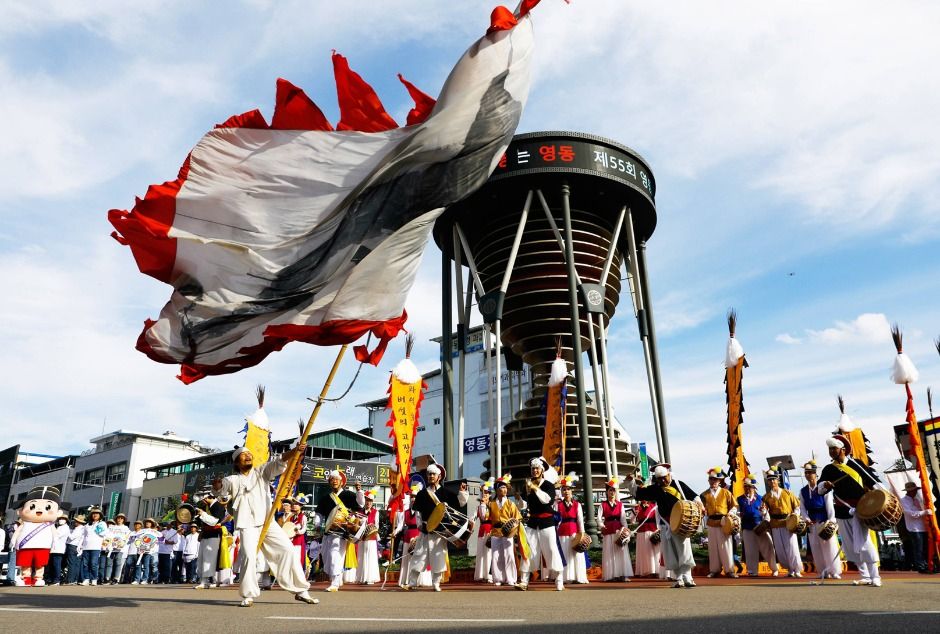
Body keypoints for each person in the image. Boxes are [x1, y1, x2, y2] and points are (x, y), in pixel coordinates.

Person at [212, 443, 318, 606]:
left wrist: (295, 451)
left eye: (249, 454)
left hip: (267, 522)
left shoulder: (261, 472)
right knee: (249, 557)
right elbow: (221, 491)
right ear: (237, 462)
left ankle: (300, 590)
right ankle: (248, 595)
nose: (248, 456)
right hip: (247, 525)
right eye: (243, 455)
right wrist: (217, 485)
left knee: (288, 550)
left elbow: (279, 461)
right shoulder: (232, 480)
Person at [818, 434, 884, 587]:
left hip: (860, 509)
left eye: (834, 448)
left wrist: (882, 496)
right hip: (842, 511)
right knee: (849, 545)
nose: (831, 452)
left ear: (842, 449)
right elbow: (820, 489)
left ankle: (875, 576)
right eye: (830, 449)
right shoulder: (829, 469)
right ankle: (865, 576)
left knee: (865, 543)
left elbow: (871, 481)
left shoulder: (856, 464)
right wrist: (825, 485)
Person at [625, 463, 702, 588]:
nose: (662, 481)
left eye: (664, 478)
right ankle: (678, 577)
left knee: (683, 549)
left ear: (668, 475)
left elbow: (694, 496)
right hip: (665, 524)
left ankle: (688, 576)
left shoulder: (678, 485)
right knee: (670, 551)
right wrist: (630, 482)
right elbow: (639, 493)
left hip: (680, 523)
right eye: (659, 479)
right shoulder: (656, 488)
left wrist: (700, 505)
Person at [404, 462, 469, 592]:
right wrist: (419, 525)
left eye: (433, 474)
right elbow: (418, 512)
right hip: (426, 530)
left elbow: (460, 503)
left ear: (439, 477)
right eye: (429, 474)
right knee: (419, 556)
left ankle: (436, 583)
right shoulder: (422, 494)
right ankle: (412, 582)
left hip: (440, 532)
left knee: (438, 558)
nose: (431, 476)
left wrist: (462, 492)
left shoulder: (446, 493)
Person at [516, 457, 564, 591]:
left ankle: (559, 579)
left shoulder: (548, 485)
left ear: (542, 470)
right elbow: (523, 505)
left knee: (551, 549)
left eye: (537, 468)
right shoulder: (527, 486)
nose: (535, 471)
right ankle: (524, 581)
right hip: (532, 522)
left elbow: (547, 500)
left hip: (547, 522)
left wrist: (535, 488)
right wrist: (519, 499)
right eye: (533, 469)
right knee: (528, 550)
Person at [313, 470, 364, 592]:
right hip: (328, 531)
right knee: (326, 555)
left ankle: (335, 583)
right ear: (329, 482)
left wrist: (359, 491)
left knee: (335, 554)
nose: (334, 481)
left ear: (341, 482)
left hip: (342, 531)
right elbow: (319, 513)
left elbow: (360, 504)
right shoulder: (325, 498)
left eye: (337, 479)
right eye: (332, 479)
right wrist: (317, 524)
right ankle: (337, 578)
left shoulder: (349, 495)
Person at [800, 460, 841, 579]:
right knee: (816, 548)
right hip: (812, 523)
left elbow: (830, 506)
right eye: (806, 472)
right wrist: (806, 519)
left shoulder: (823, 488)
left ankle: (834, 571)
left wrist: (831, 522)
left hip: (824, 521)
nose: (808, 475)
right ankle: (822, 571)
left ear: (815, 473)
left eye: (810, 472)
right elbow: (802, 508)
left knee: (830, 547)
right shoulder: (803, 491)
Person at [763, 468, 802, 577]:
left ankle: (797, 569)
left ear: (778, 480)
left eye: (774, 479)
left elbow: (797, 506)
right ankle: (789, 569)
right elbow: (765, 511)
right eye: (770, 480)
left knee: (792, 546)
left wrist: (795, 517)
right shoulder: (766, 497)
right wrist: (763, 512)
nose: (772, 481)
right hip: (775, 524)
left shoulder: (788, 493)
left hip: (788, 523)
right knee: (780, 548)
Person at [700, 468, 738, 579]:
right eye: (711, 479)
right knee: (713, 547)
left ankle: (729, 570)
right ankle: (714, 570)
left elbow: (734, 506)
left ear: (719, 481)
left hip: (724, 522)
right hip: (711, 522)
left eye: (715, 479)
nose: (713, 481)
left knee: (726, 546)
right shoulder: (704, 495)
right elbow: (700, 508)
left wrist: (730, 514)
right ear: (708, 480)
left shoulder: (726, 493)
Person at [737, 476, 778, 577]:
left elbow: (766, 513)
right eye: (745, 486)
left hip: (760, 527)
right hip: (747, 527)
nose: (747, 488)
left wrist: (765, 520)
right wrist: (739, 515)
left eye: (749, 486)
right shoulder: (739, 499)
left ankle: (774, 569)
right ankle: (752, 571)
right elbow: (736, 512)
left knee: (768, 548)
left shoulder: (761, 498)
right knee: (750, 550)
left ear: (754, 488)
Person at [485, 475, 522, 587]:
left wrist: (514, 530)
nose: (505, 490)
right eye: (502, 487)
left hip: (508, 532)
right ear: (497, 489)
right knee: (496, 556)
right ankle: (498, 578)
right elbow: (485, 517)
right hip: (495, 532)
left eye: (506, 488)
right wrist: (483, 504)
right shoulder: (491, 504)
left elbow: (517, 518)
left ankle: (511, 578)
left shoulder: (511, 504)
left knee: (509, 555)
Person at [556, 473, 588, 584]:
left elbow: (580, 520)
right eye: (564, 489)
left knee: (576, 555)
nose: (566, 491)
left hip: (574, 533)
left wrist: (582, 534)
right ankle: (566, 577)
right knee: (565, 555)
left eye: (568, 489)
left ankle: (579, 577)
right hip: (562, 533)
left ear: (571, 491)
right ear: (561, 492)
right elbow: (556, 521)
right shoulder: (558, 505)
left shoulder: (577, 505)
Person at [600, 476, 633, 582]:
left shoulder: (620, 504)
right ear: (607, 492)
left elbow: (623, 519)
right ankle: (611, 575)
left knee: (620, 552)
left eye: (614, 490)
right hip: (608, 530)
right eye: (610, 490)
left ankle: (622, 574)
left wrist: (626, 530)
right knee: (610, 553)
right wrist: (601, 525)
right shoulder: (603, 504)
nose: (612, 492)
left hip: (619, 531)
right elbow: (599, 518)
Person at [193, 490, 228, 588]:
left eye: (203, 498)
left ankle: (205, 581)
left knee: (209, 558)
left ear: (209, 497)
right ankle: (204, 580)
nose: (202, 501)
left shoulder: (218, 506)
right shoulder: (207, 507)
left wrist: (203, 514)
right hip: (206, 534)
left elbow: (214, 521)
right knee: (202, 557)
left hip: (214, 535)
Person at [899, 481, 933, 573]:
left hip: (923, 527)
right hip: (914, 528)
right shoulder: (903, 501)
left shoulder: (916, 500)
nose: (916, 492)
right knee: (918, 548)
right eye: (914, 490)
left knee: (924, 548)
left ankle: (926, 565)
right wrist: (925, 512)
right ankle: (921, 566)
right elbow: (911, 514)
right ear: (909, 491)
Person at [354, 489, 381, 585]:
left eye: (370, 501)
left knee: (371, 557)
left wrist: (371, 529)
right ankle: (361, 577)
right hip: (362, 538)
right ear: (365, 500)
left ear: (372, 502)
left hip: (371, 538)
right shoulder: (360, 512)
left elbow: (377, 525)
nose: (368, 502)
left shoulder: (376, 512)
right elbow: (357, 525)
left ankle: (370, 578)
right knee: (361, 557)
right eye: (367, 500)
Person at [633, 496, 660, 577]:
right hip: (641, 532)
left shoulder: (654, 506)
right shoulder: (637, 507)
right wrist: (635, 514)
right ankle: (644, 571)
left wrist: (658, 530)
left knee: (652, 551)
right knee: (643, 552)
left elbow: (658, 520)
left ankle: (655, 571)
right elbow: (632, 521)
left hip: (652, 531)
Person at [80, 507, 107, 586]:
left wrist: (97, 528)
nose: (95, 515)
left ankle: (94, 578)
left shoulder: (102, 524)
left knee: (93, 563)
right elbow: (84, 536)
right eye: (93, 514)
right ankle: (86, 579)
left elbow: (103, 533)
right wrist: (81, 545)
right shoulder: (87, 525)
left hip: (96, 547)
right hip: (86, 547)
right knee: (85, 564)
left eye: (97, 514)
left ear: (100, 515)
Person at [473, 481, 494, 583]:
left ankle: (488, 575)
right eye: (483, 492)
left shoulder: (493, 505)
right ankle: (480, 575)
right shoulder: (479, 506)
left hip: (490, 531)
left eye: (486, 492)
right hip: (481, 531)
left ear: (490, 494)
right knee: (480, 553)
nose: (484, 494)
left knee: (489, 554)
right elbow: (474, 518)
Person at [132, 518, 160, 584]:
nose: (147, 523)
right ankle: (137, 579)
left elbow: (158, 539)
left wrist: (151, 545)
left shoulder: (154, 531)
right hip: (140, 550)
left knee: (146, 565)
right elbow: (137, 539)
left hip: (148, 551)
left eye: (149, 522)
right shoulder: (141, 531)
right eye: (147, 522)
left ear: (152, 524)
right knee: (138, 565)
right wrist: (138, 545)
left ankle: (144, 579)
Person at [106, 513, 131, 584]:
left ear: (123, 520)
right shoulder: (111, 527)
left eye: (121, 518)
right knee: (109, 563)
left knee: (118, 562)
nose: (120, 519)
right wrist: (107, 544)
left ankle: (116, 578)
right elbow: (107, 536)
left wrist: (123, 543)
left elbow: (127, 537)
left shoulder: (126, 528)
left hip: (120, 548)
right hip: (111, 547)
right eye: (118, 518)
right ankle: (107, 578)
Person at [47, 513, 70, 586]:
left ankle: (57, 580)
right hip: (54, 548)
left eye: (62, 519)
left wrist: (52, 527)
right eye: (60, 519)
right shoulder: (59, 527)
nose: (61, 520)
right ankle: (52, 579)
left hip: (59, 549)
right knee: (52, 565)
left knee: (56, 565)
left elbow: (56, 535)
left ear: (66, 521)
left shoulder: (65, 528)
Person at [287, 495, 309, 573]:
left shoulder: (303, 517)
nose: (294, 505)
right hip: (292, 540)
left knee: (298, 559)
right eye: (294, 504)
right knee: (292, 559)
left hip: (299, 541)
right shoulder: (292, 517)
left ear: (301, 506)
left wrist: (298, 531)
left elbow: (304, 529)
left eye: (297, 504)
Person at [65, 514, 86, 585]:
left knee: (71, 563)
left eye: (76, 521)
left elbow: (71, 537)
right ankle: (75, 579)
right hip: (77, 546)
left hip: (72, 546)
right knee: (75, 563)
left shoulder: (79, 529)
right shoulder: (81, 528)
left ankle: (70, 580)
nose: (75, 522)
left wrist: (67, 531)